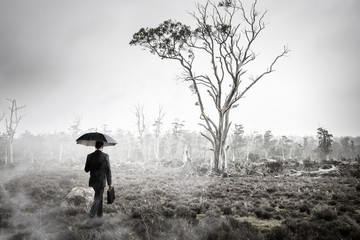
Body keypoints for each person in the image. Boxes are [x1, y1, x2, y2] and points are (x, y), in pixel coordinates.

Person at [84, 141, 112, 220]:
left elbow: (86, 169)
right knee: (98, 198)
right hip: (101, 181)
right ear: (102, 146)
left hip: (92, 181)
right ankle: (90, 217)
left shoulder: (89, 156)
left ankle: (100, 216)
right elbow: (108, 171)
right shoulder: (105, 156)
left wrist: (91, 165)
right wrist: (110, 183)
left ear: (95, 146)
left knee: (99, 198)